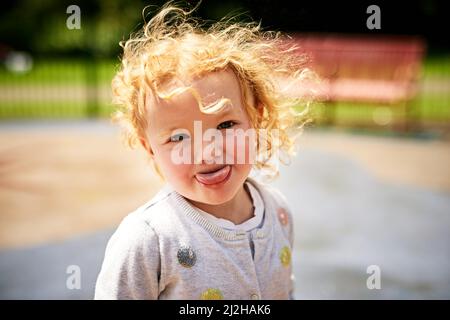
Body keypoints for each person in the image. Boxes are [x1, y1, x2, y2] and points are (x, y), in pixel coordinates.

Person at [95, 3, 312, 300]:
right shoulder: (148, 240)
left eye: (225, 125)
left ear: (256, 118)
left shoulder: (278, 212)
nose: (207, 153)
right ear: (150, 149)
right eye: (180, 137)